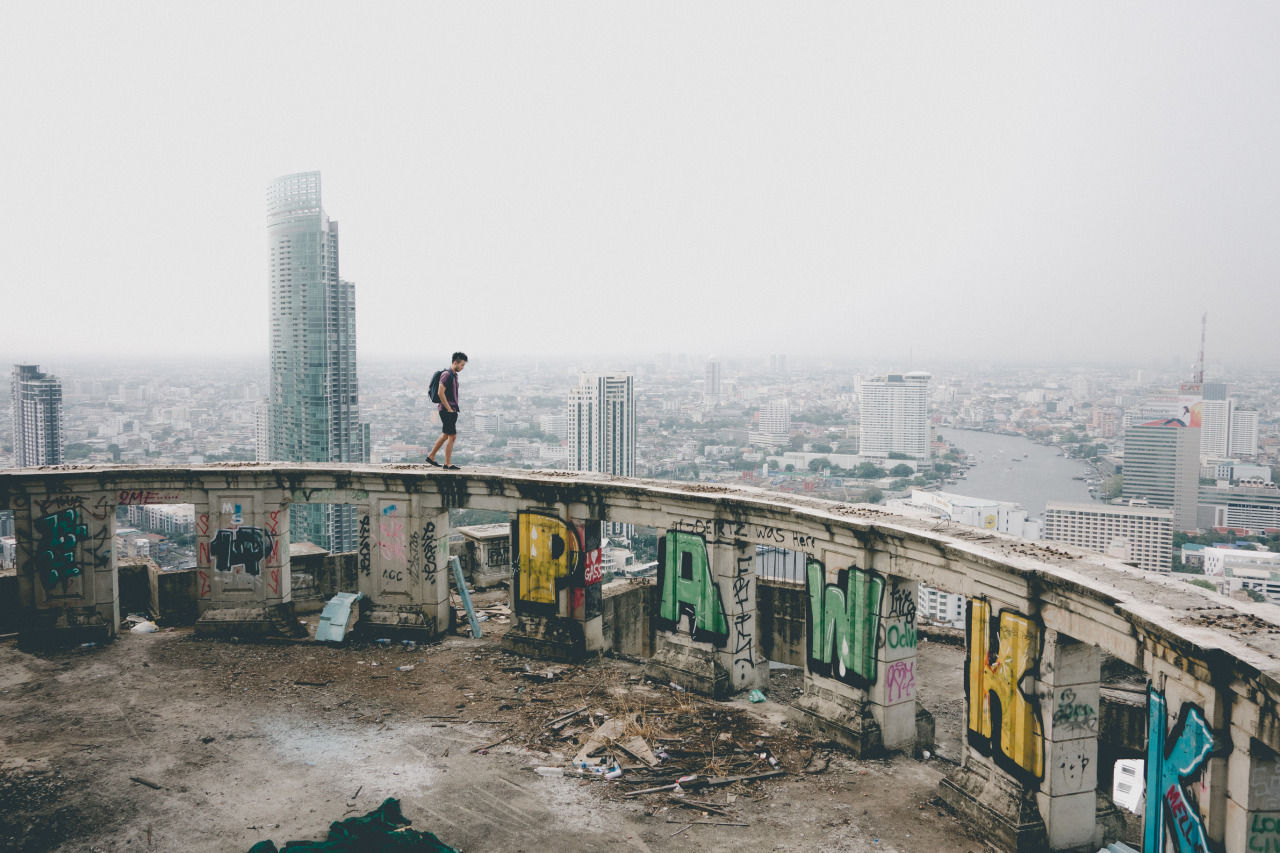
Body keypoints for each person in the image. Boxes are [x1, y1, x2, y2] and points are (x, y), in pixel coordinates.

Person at [426, 352, 467, 469]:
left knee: (445, 435)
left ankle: (431, 456)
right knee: (452, 436)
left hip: (452, 409)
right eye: (462, 365)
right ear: (455, 362)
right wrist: (449, 408)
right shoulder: (447, 375)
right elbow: (440, 392)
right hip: (446, 410)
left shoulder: (454, 375)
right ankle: (447, 463)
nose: (462, 368)